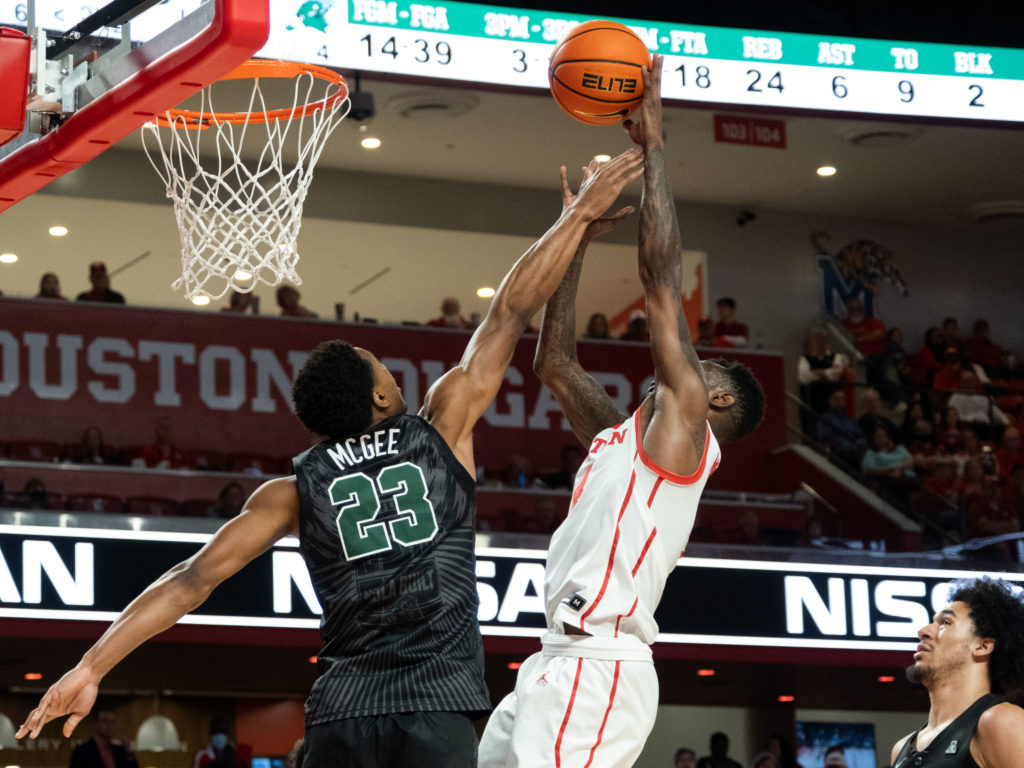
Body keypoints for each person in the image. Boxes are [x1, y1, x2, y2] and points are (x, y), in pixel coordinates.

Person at [15, 146, 645, 768]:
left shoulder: (291, 490)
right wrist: (577, 217)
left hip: (343, 714)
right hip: (435, 705)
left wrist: (89, 665)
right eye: (384, 369)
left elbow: (189, 580)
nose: (394, 374)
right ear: (378, 394)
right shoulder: (441, 429)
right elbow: (511, 310)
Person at [479, 56, 764, 768]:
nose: (691, 367)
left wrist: (654, 147)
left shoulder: (683, 432)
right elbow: (554, 364)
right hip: (554, 658)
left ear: (714, 399)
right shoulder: (621, 439)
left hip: (600, 662)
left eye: (709, 369)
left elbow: (662, 282)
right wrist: (573, 238)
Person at [891, 577, 1024, 768]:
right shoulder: (901, 748)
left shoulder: (1001, 721)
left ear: (982, 646)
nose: (923, 631)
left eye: (945, 622)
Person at [68, 707, 139, 768]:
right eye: (105, 721)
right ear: (96, 724)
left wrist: (129, 754)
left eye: (113, 722)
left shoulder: (120, 751)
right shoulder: (82, 751)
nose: (110, 726)